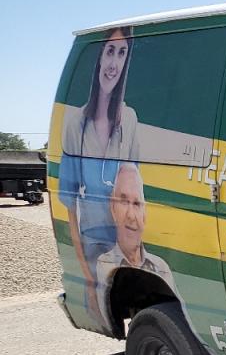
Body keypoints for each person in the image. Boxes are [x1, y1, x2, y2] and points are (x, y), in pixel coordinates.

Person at [60, 26, 140, 328]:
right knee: (99, 314)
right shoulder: (74, 124)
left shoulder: (130, 120)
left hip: (125, 244)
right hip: (92, 245)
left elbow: (136, 190)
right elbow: (69, 207)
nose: (113, 63)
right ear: (98, 59)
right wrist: (88, 279)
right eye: (109, 51)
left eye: (122, 53)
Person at [95, 163, 177, 325]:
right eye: (124, 202)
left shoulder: (161, 266)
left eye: (137, 204)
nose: (131, 215)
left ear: (144, 214)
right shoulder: (105, 265)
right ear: (112, 208)